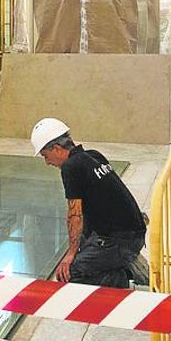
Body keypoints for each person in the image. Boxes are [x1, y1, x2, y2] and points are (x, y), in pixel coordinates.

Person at [31, 117, 150, 288]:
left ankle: (125, 278)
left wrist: (71, 254)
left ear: (56, 149)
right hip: (134, 232)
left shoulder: (70, 167)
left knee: (70, 274)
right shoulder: (93, 155)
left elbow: (75, 214)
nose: (47, 162)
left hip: (123, 242)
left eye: (45, 156)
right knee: (84, 240)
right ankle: (122, 260)